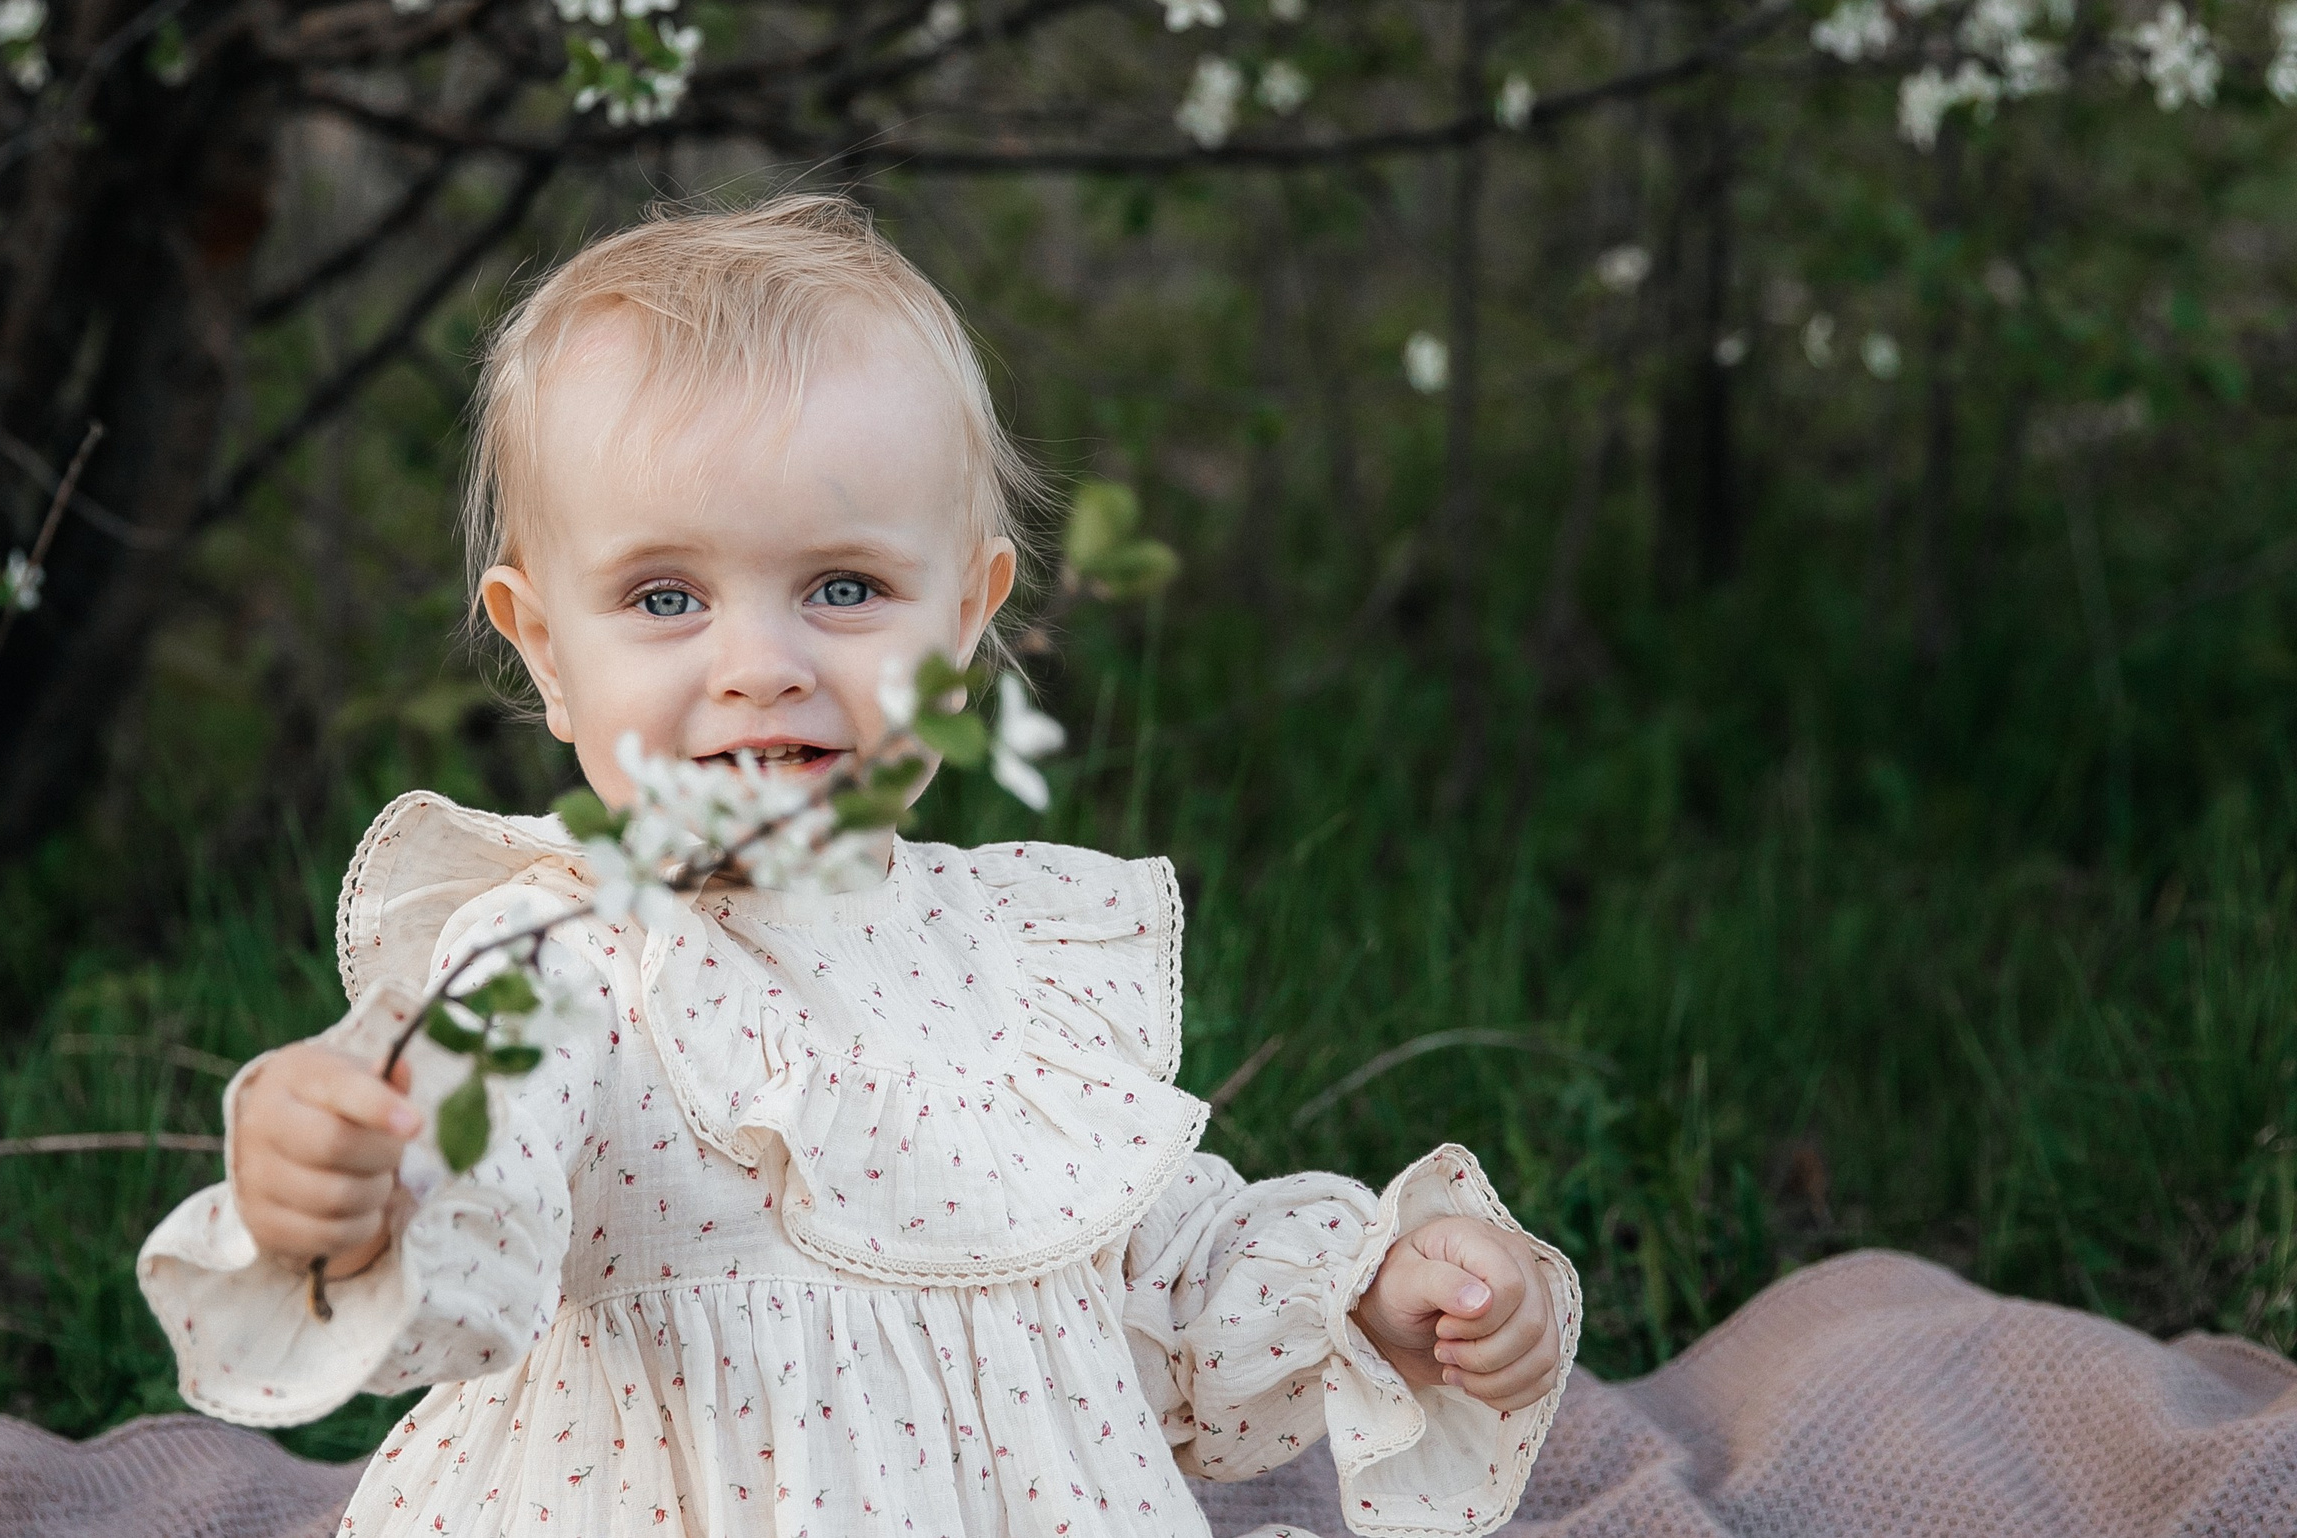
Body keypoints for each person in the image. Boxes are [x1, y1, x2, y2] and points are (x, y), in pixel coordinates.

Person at [138, 195, 1581, 1538]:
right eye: (663, 596)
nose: (760, 666)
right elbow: (472, 1216)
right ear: (543, 649)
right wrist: (345, 1187)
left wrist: (1371, 1291)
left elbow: (1157, 1279)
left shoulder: (1015, 955)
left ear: (965, 618)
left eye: (843, 588)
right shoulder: (558, 963)